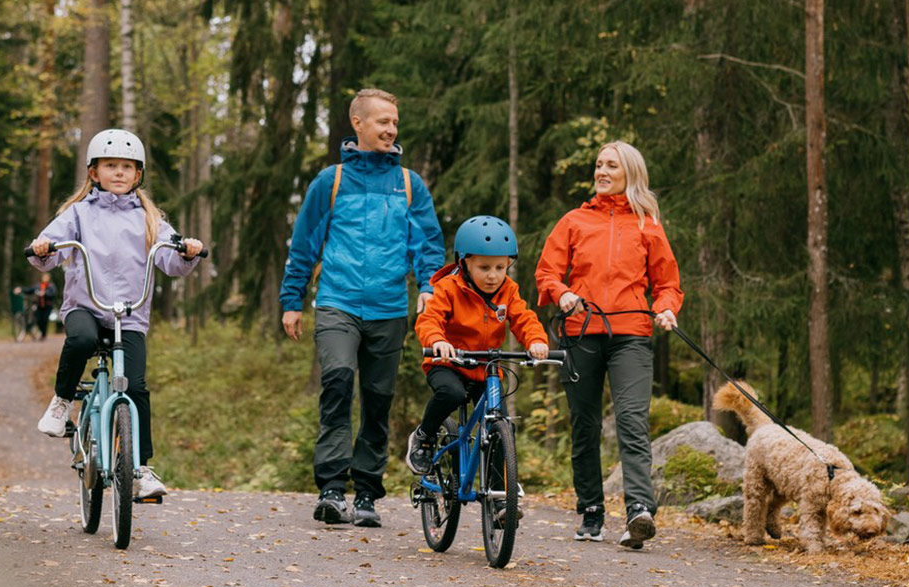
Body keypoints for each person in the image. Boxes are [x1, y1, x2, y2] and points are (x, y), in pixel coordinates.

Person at [279, 88, 446, 527]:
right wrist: (291, 301)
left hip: (390, 308)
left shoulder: (409, 183)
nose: (391, 129)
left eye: (394, 122)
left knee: (378, 400)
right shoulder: (331, 181)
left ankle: (367, 493)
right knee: (337, 383)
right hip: (338, 302)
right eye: (382, 122)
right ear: (358, 124)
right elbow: (303, 245)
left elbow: (428, 245)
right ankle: (332, 489)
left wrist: (429, 285)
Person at [28, 129, 203, 500]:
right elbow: (49, 251)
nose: (119, 173)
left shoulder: (150, 219)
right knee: (81, 339)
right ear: (94, 172)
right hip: (85, 306)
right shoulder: (78, 214)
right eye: (110, 166)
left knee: (136, 387)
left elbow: (171, 260)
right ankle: (62, 403)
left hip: (130, 315)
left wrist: (187, 251)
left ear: (138, 174)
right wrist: (43, 248)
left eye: (127, 167)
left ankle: (139, 469)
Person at [534, 140, 683, 549]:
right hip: (580, 331)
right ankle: (591, 510)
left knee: (632, 420)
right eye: (598, 165)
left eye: (611, 166)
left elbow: (667, 283)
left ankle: (639, 510)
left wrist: (666, 308)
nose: (601, 171)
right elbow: (546, 271)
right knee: (584, 425)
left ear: (629, 173)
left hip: (632, 333)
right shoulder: (574, 221)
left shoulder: (647, 224)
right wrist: (561, 292)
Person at [406, 216, 549, 479]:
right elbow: (429, 319)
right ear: (465, 262)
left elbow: (523, 318)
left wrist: (536, 341)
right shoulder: (449, 287)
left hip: (487, 368)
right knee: (451, 393)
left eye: (500, 267)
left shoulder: (508, 290)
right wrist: (438, 341)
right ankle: (424, 437)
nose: (493, 275)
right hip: (448, 363)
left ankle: (499, 496)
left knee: (501, 423)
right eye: (484, 267)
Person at [29, 273, 58, 340]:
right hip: (39, 305)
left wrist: (44, 293)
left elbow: (53, 293)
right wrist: (21, 290)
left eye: (46, 277)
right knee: (38, 319)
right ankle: (42, 332)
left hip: (47, 306)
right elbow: (31, 290)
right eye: (44, 277)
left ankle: (43, 335)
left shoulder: (51, 286)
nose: (45, 278)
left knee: (44, 320)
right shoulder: (38, 285)